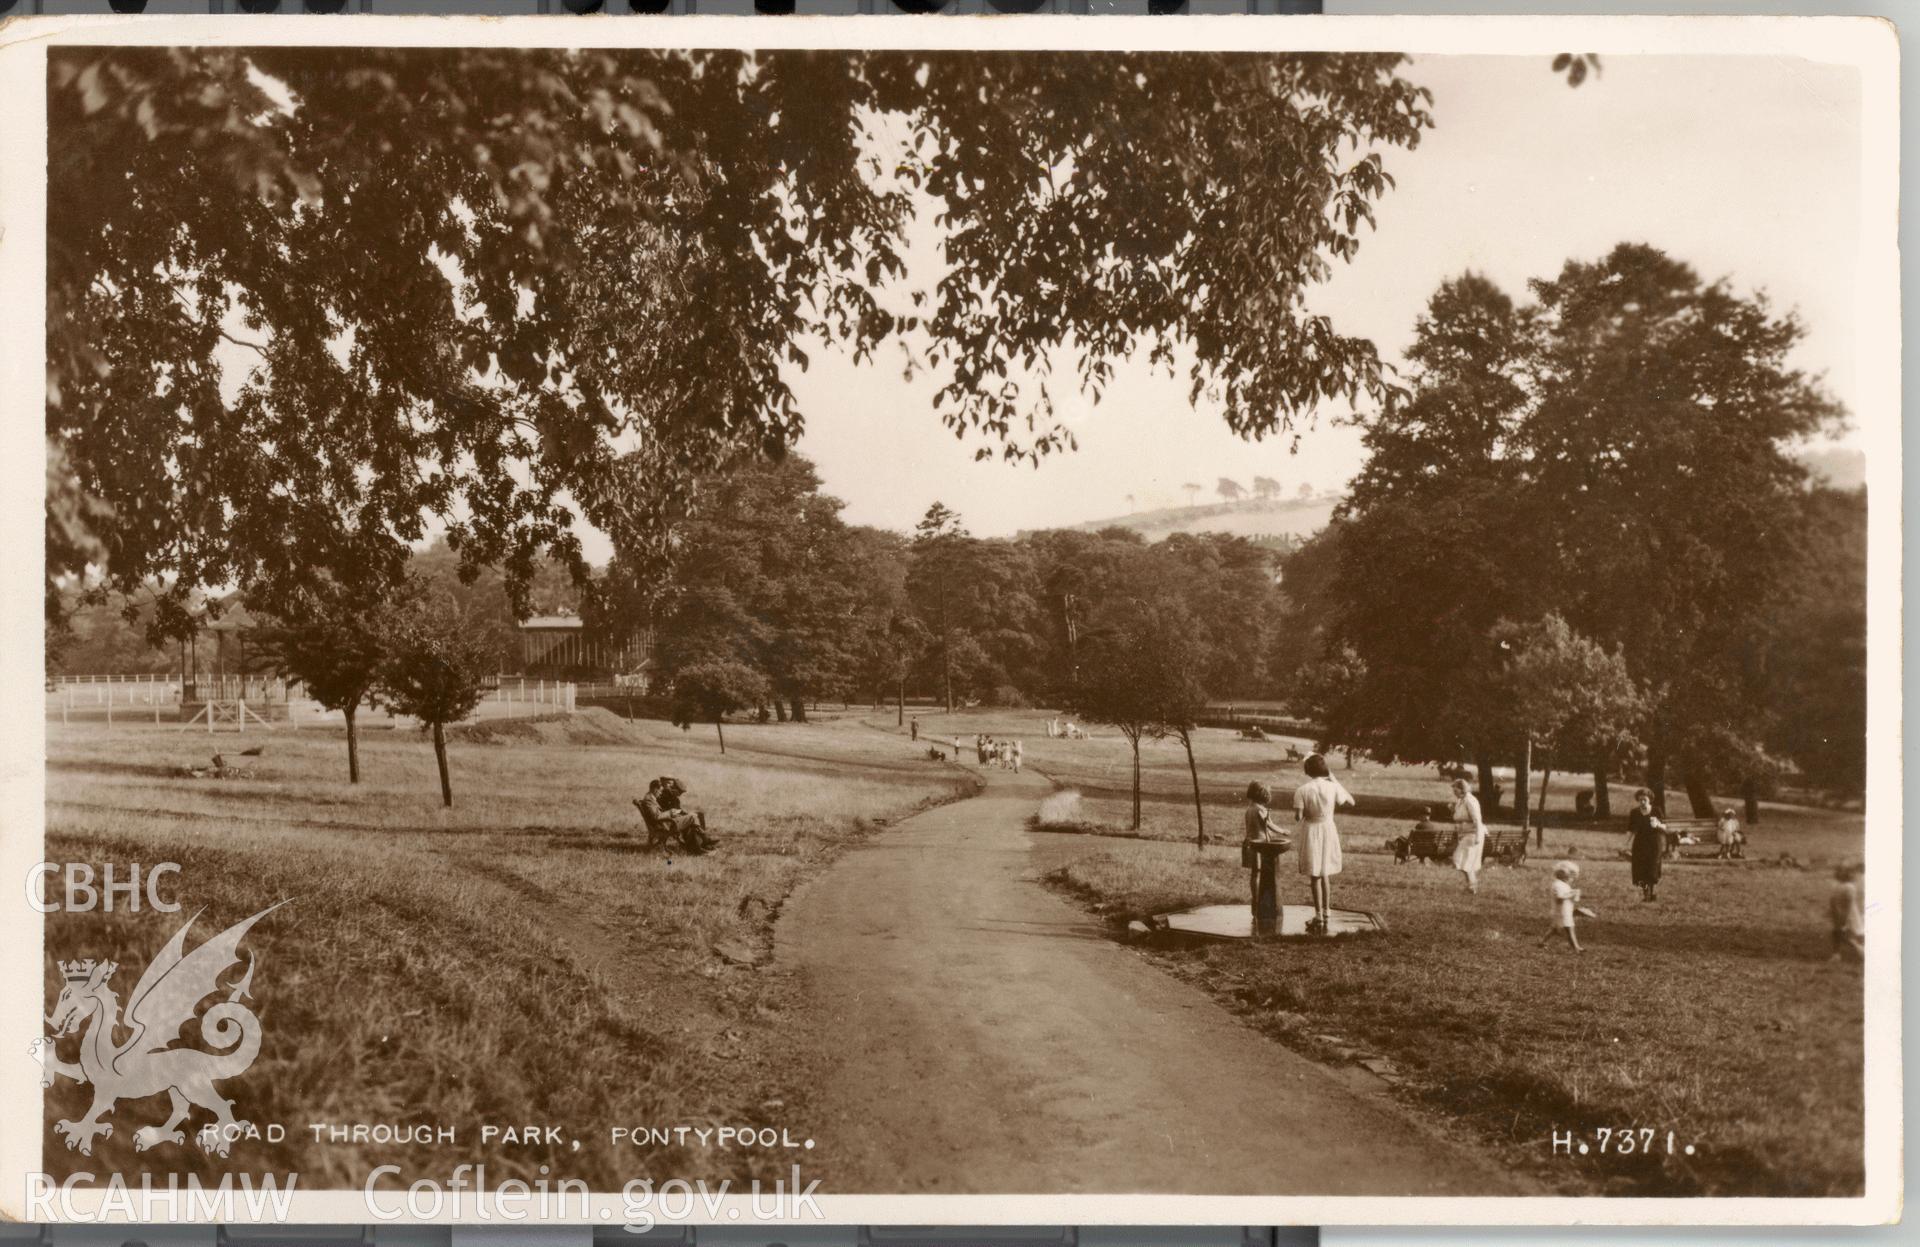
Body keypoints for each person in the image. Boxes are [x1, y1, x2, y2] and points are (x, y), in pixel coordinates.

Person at [1292, 753, 1355, 935]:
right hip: (1328, 828)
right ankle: (1326, 911)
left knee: (1315, 875)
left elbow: (1298, 817)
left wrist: (1304, 813)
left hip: (1312, 830)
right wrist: (1334, 779)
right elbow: (1350, 801)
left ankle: (1319, 914)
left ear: (1308, 770)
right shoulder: (1332, 787)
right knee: (1325, 872)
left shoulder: (1302, 790)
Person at [1243, 781, 1290, 936]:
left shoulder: (1250, 808)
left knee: (1254, 874)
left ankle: (1255, 901)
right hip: (1260, 845)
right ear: (1263, 795)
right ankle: (1258, 903)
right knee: (1259, 873)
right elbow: (1269, 825)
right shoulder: (1260, 809)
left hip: (1250, 843)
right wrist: (1283, 831)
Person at [1448, 777, 1488, 894]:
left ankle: (1472, 885)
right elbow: (1459, 818)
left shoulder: (1470, 800)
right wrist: (1452, 810)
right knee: (1464, 861)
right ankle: (1472, 885)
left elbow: (1477, 820)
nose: (1454, 793)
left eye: (1456, 790)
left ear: (1462, 789)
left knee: (1460, 859)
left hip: (1473, 834)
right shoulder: (1461, 801)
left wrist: (1478, 837)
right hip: (1464, 835)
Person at [1626, 787, 1665, 902]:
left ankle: (1650, 893)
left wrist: (1657, 824)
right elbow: (1631, 830)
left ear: (1650, 800)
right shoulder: (1635, 812)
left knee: (1652, 868)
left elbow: (1665, 827)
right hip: (1640, 843)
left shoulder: (1656, 810)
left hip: (1654, 843)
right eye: (1640, 800)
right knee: (1640, 869)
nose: (1642, 802)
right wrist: (1625, 844)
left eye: (1645, 800)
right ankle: (1646, 894)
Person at [1540, 860, 1586, 952]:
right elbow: (1559, 897)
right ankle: (1576, 948)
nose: (1572, 880)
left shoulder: (1564, 885)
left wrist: (1574, 894)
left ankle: (1542, 942)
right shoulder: (1557, 885)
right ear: (1564, 876)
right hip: (1561, 912)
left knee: (1555, 929)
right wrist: (1572, 894)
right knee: (1570, 928)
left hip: (1564, 911)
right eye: (1571, 877)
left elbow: (1567, 896)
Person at [1830, 862, 1865, 962]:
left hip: (1847, 914)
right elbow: (1833, 900)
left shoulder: (1850, 887)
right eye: (1838, 871)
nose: (1837, 873)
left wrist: (1845, 918)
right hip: (1838, 912)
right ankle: (1836, 954)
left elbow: (1849, 903)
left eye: (1841, 871)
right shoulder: (1837, 886)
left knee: (1846, 934)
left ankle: (1859, 948)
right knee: (1837, 933)